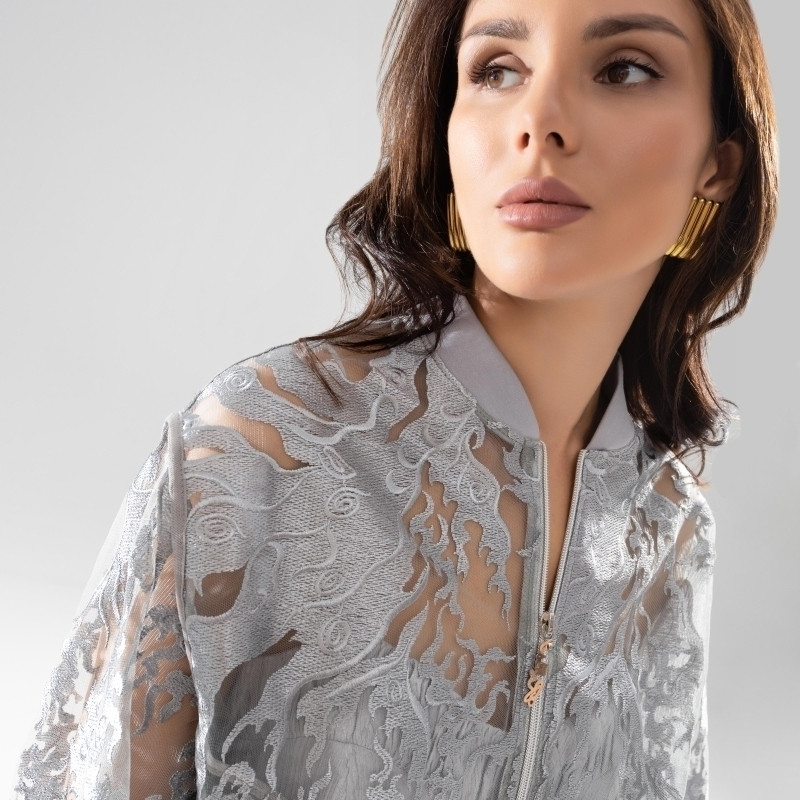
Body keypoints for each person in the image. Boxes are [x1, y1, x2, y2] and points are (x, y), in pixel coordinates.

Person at [13, 0, 777, 797]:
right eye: (497, 71)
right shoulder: (257, 447)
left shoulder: (670, 527)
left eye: (624, 70)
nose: (539, 121)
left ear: (718, 164)